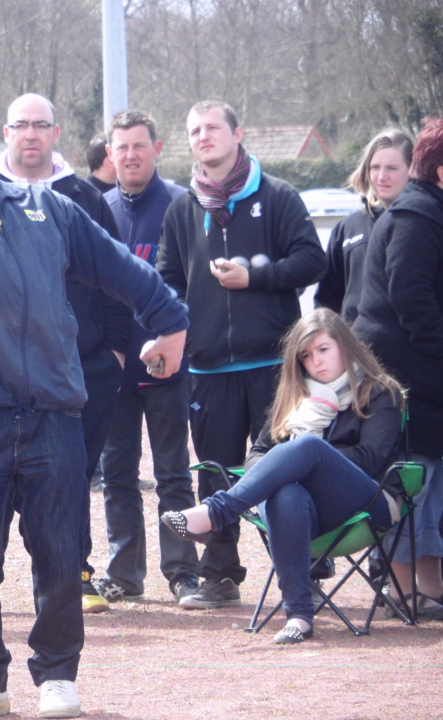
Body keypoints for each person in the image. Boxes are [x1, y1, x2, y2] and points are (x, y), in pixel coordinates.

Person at [0, 49, 188, 720]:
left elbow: (122, 272)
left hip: (53, 413)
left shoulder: (47, 210)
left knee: (60, 553)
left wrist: (170, 320)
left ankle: (56, 677)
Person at [157, 99, 325, 609]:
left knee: (285, 471)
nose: (202, 137)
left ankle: (308, 571)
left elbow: (312, 260)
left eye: (212, 128)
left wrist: (256, 277)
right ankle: (220, 575)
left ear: (237, 133)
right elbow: (167, 278)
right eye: (194, 131)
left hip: (275, 366)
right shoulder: (183, 207)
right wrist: (170, 329)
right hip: (208, 369)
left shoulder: (277, 196)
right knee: (215, 471)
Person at [162, 308, 404, 644]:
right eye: (306, 355)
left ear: (345, 346)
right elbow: (257, 455)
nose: (316, 361)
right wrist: (287, 470)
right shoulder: (296, 397)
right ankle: (299, 615)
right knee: (285, 492)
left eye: (323, 349)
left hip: (368, 505)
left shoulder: (380, 390)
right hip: (309, 511)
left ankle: (216, 511)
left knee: (307, 449)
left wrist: (307, 461)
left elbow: (371, 458)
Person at [0, 93, 125, 614]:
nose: (30, 134)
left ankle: (74, 573)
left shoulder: (85, 199)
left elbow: (115, 278)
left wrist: (113, 350)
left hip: (80, 367)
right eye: (20, 125)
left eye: (39, 125)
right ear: (4, 133)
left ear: (56, 133)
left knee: (71, 476)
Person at [94, 110, 200, 606]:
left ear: (157, 149)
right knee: (117, 475)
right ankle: (124, 572)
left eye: (140, 146)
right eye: (122, 147)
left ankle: (182, 571)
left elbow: (193, 285)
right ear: (109, 153)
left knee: (173, 473)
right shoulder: (97, 209)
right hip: (112, 368)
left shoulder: (180, 205)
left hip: (167, 365)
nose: (131, 155)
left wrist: (177, 343)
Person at [354, 118, 443, 617]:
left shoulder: (427, 210)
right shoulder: (417, 216)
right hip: (404, 376)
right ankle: (405, 591)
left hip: (421, 374)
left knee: (431, 485)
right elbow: (411, 300)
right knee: (413, 483)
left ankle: (428, 585)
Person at [315, 129, 414, 321]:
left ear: (412, 170)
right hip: (354, 345)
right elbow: (327, 302)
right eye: (375, 167)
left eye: (392, 168)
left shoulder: (426, 225)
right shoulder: (347, 229)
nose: (381, 176)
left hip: (412, 345)